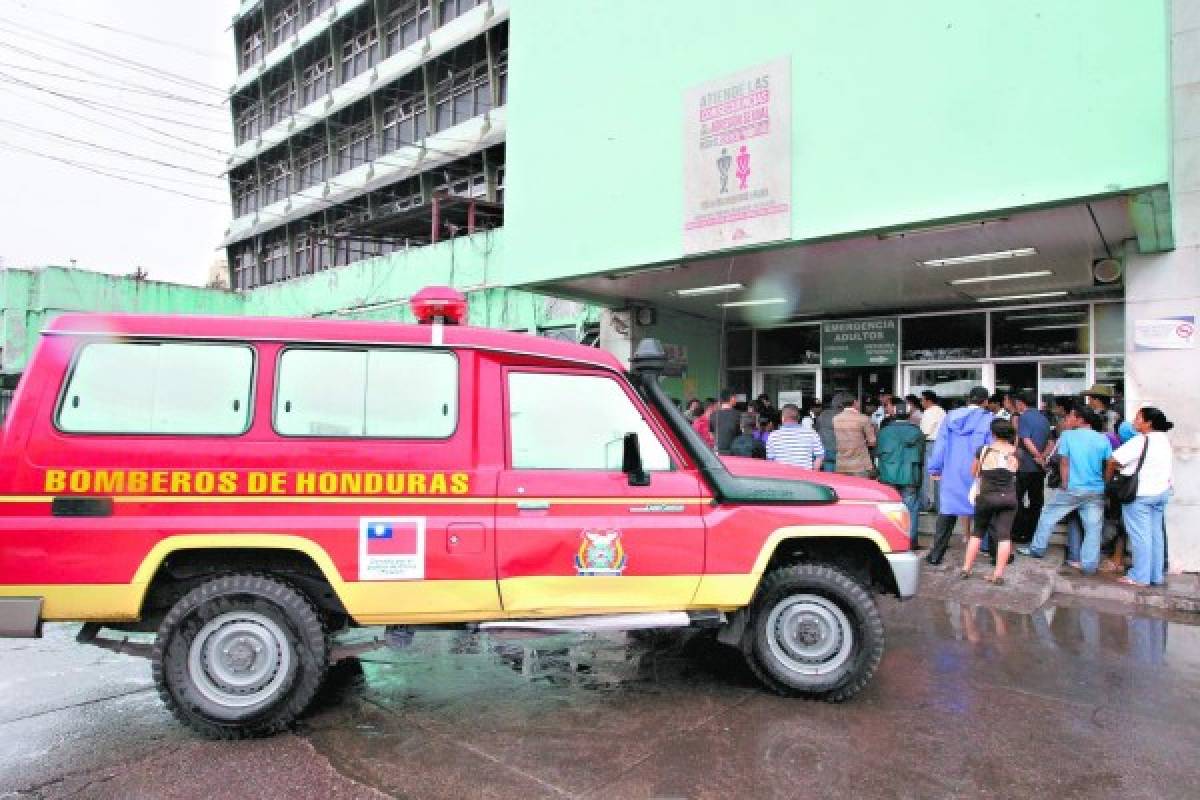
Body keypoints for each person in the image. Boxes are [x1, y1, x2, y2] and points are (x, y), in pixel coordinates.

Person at [1018, 407, 1113, 574]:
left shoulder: (1068, 436)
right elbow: (1110, 462)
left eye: (1070, 416)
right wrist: (1104, 482)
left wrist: (1064, 482)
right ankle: (1089, 565)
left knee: (1047, 515)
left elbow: (1064, 462)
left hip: (1072, 487)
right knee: (1093, 528)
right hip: (1095, 489)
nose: (1067, 419)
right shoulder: (1102, 439)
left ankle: (1037, 549)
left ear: (1080, 419)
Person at [925, 386, 994, 566]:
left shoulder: (950, 417)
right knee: (986, 513)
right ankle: (996, 555)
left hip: (952, 472)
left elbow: (940, 446)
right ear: (986, 402)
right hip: (978, 473)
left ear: (968, 400)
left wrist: (935, 468)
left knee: (947, 514)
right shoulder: (989, 420)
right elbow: (992, 449)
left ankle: (935, 555)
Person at [1107, 407, 1174, 587]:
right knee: (1155, 535)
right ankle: (1155, 575)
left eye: (1138, 418)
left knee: (1140, 536)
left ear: (1148, 423)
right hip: (1161, 492)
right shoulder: (1163, 439)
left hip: (1141, 494)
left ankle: (1140, 576)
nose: (1134, 421)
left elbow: (1113, 460)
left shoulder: (1140, 440)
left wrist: (1107, 480)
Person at [961, 419, 1019, 583]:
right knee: (1004, 536)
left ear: (993, 433)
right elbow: (1014, 471)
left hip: (986, 497)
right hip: (1008, 497)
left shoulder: (984, 450)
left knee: (977, 532)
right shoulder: (1016, 452)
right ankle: (998, 575)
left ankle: (966, 568)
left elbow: (974, 472)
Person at [875, 403, 925, 549]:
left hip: (888, 475)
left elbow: (878, 453)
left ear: (893, 415)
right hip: (910, 474)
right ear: (909, 415)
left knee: (889, 509)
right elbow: (921, 455)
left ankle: (890, 540)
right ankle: (911, 541)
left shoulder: (884, 431)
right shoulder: (917, 432)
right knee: (911, 509)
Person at [1012, 391, 1050, 544]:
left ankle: (1021, 531)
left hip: (1025, 465)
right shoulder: (1044, 418)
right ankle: (1032, 532)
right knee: (1036, 501)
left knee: (1016, 499)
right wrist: (1043, 457)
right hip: (1038, 468)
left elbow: (1025, 439)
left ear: (1021, 403)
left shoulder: (1024, 417)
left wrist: (1036, 455)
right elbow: (1051, 442)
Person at [766, 403, 824, 469]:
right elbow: (820, 456)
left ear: (782, 418)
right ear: (798, 417)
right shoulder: (811, 433)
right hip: (805, 477)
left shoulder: (773, 436)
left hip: (781, 477)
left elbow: (770, 460)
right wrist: (813, 474)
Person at [833, 395, 876, 478]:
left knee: (844, 489)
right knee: (860, 488)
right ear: (855, 403)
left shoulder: (836, 418)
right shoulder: (863, 418)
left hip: (841, 463)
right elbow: (872, 442)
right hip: (860, 464)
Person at [919, 391, 946, 512]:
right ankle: (939, 505)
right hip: (942, 444)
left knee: (926, 476)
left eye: (922, 400)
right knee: (938, 476)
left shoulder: (929, 412)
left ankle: (924, 504)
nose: (921, 402)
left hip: (930, 444)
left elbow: (924, 432)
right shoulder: (942, 411)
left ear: (928, 401)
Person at [710, 388, 742, 456]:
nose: (736, 399)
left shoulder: (713, 415)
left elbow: (711, 434)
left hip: (718, 453)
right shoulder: (738, 415)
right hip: (734, 452)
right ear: (732, 398)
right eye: (735, 397)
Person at [815, 397, 839, 473]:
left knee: (828, 468)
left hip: (825, 446)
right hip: (836, 448)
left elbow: (817, 428)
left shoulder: (822, 415)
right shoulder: (839, 414)